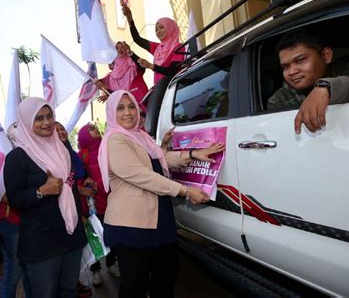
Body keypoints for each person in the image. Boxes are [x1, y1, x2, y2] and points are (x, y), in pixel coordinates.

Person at [98, 90, 224, 298]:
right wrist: (184, 191)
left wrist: (193, 154)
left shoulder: (140, 137)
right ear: (111, 113)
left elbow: (161, 157)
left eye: (131, 106)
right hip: (132, 225)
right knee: (135, 285)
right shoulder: (115, 140)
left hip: (159, 218)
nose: (128, 112)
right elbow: (141, 175)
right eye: (120, 108)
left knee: (165, 279)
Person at [4, 97, 87, 298]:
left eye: (49, 116)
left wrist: (81, 214)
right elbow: (14, 199)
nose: (47, 122)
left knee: (69, 290)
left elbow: (71, 187)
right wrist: (41, 191)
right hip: (41, 243)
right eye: (39, 118)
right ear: (26, 122)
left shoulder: (62, 149)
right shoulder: (17, 157)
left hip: (71, 235)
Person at [267, 29, 349, 134]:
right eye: (285, 67)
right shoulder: (280, 100)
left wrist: (326, 87)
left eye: (300, 61)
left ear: (326, 56)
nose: (291, 71)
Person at [77, 122, 120, 285]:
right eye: (91, 129)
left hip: (112, 201)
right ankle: (95, 271)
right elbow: (78, 179)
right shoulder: (82, 155)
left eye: (95, 127)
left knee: (112, 235)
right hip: (93, 205)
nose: (96, 129)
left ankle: (111, 263)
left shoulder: (107, 148)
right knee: (93, 236)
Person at [54, 121, 94, 298]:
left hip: (79, 206)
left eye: (62, 128)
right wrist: (81, 190)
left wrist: (87, 180)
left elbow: (78, 175)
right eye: (56, 130)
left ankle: (76, 284)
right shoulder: (52, 155)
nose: (61, 132)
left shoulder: (70, 153)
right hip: (62, 212)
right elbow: (59, 184)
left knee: (77, 252)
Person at [122, 4, 185, 85]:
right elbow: (137, 39)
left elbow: (172, 71)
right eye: (156, 29)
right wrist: (129, 18)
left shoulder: (179, 47)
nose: (158, 31)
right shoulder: (157, 48)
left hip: (173, 89)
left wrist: (150, 65)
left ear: (170, 28)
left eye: (161, 27)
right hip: (159, 89)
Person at [0, 122, 23, 298]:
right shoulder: (4, 157)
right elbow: (3, 195)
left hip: (28, 222)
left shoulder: (29, 154)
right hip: (11, 221)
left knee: (26, 268)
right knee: (13, 269)